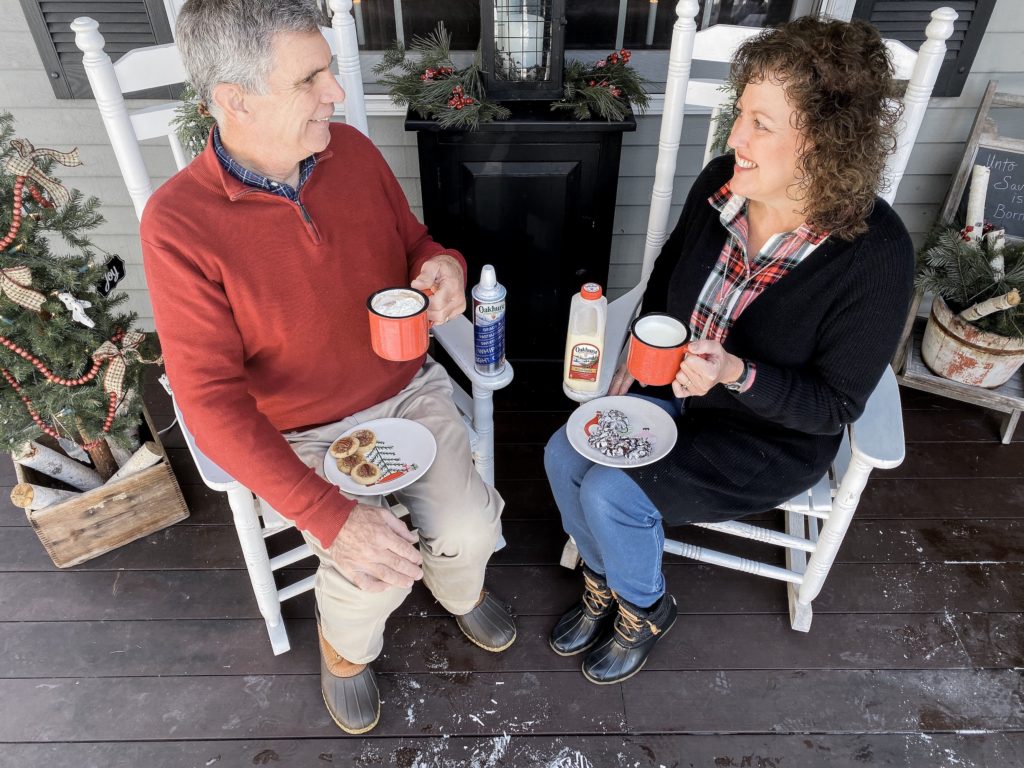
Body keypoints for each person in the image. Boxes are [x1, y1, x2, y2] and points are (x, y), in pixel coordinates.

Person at [141, 0, 514, 734]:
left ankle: (456, 585)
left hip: (404, 390)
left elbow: (413, 241)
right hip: (300, 431)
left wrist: (441, 265)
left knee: (470, 531)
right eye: (310, 79)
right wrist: (329, 514)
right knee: (369, 569)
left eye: (329, 73)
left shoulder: (351, 154)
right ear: (234, 100)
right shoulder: (178, 224)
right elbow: (209, 402)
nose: (336, 95)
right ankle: (344, 652)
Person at [544, 17, 915, 684]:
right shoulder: (722, 184)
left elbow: (832, 406)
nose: (734, 137)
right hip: (668, 386)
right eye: (741, 112)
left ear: (826, 144)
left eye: (761, 124)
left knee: (610, 492)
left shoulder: (875, 256)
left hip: (764, 434)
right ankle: (603, 581)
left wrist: (737, 373)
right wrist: (638, 345)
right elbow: (667, 274)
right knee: (561, 454)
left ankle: (645, 606)